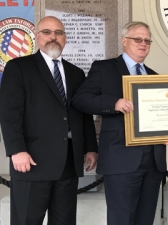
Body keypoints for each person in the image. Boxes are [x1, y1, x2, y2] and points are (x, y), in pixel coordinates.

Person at [0, 16, 98, 225]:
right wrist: (17, 150)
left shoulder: (76, 73)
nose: (53, 37)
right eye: (47, 32)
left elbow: (83, 113)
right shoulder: (18, 67)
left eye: (58, 33)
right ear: (37, 37)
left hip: (68, 163)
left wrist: (90, 148)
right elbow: (9, 113)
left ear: (65, 38)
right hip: (31, 162)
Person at [71, 21, 166, 225]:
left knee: (146, 220)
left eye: (147, 41)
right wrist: (113, 103)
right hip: (121, 159)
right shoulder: (104, 68)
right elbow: (80, 99)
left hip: (153, 161)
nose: (143, 44)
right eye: (137, 39)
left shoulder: (154, 76)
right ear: (124, 41)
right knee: (121, 220)